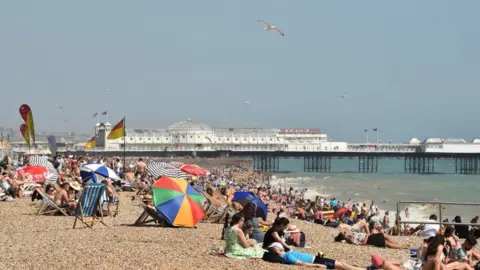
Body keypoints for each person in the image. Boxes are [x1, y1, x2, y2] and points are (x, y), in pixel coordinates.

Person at [268, 242, 364, 270]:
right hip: (316, 261)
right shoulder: (287, 256)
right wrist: (317, 265)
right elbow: (301, 263)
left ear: (280, 248)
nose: (272, 249)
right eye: (273, 248)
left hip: (317, 259)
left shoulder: (287, 253)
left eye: (274, 247)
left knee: (340, 264)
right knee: (341, 264)